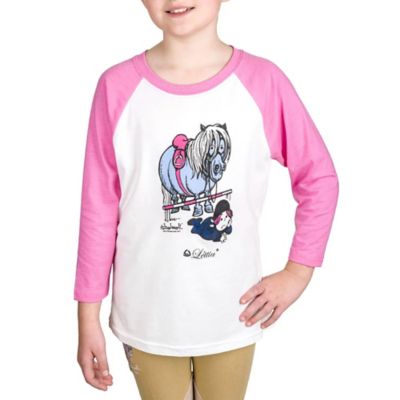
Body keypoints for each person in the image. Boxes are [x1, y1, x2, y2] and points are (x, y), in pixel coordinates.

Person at [73, 1, 340, 398]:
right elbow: (98, 206)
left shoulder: (263, 82)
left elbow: (319, 178)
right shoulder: (116, 87)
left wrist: (298, 272)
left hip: (232, 313)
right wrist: (87, 315)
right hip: (147, 316)